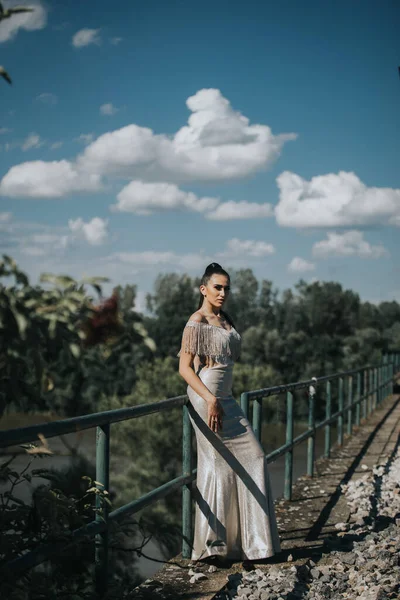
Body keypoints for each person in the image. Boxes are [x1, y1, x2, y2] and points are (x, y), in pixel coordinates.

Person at [178, 262, 281, 567]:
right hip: (207, 397)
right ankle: (215, 548)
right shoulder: (196, 321)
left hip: (227, 399)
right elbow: (185, 368)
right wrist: (209, 399)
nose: (223, 293)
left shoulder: (224, 320)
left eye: (226, 288)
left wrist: (219, 398)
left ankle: (254, 545)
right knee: (217, 467)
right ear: (203, 289)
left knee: (255, 458)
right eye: (217, 287)